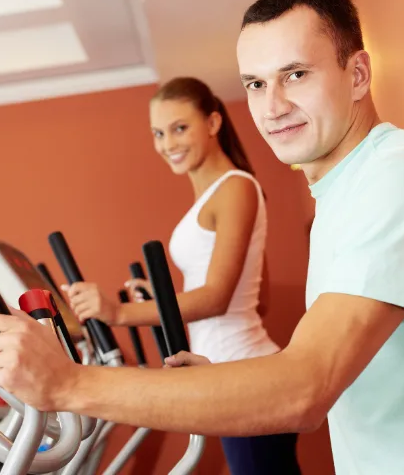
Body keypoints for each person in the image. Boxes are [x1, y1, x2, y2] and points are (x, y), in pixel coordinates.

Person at [0, 0, 404, 474]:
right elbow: (343, 366)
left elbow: (305, 388)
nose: (273, 105)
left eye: (295, 75)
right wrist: (222, 381)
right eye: (256, 84)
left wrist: (68, 385)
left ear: (357, 74)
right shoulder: (348, 190)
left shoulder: (396, 180)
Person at [59, 76, 300, 474]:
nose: (167, 144)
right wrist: (161, 297)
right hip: (226, 372)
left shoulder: (235, 189)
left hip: (242, 372)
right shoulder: (218, 193)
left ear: (213, 123)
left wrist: (116, 313)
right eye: (158, 133)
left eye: (179, 128)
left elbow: (219, 298)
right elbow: (257, 297)